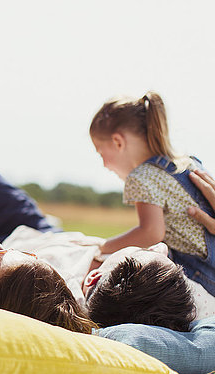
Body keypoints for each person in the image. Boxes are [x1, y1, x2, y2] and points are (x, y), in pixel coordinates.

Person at [0, 149, 215, 331]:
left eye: (147, 252)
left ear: (94, 278)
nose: (162, 246)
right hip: (45, 234)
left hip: (3, 262)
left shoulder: (59, 302)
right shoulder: (177, 290)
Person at [89, 91, 215, 295]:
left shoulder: (141, 176)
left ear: (118, 142)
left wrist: (103, 247)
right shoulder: (187, 163)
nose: (104, 164)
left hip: (202, 277)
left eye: (100, 152)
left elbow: (150, 232)